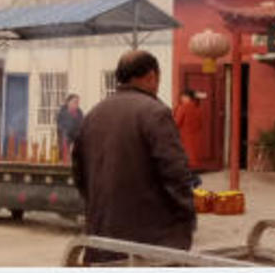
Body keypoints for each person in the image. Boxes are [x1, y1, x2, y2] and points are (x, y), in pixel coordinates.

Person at [73, 50, 197, 257]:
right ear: (151, 77)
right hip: (147, 242)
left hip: (100, 236)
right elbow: (176, 174)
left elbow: (79, 174)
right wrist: (186, 217)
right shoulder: (155, 113)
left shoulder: (93, 114)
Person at [173, 89, 203, 168]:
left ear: (187, 97)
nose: (181, 98)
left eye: (182, 96)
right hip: (196, 134)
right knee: (193, 154)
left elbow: (176, 122)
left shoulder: (183, 107)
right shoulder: (198, 107)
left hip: (184, 134)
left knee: (184, 154)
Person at [56, 94, 83, 161]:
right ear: (68, 102)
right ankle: (64, 159)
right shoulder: (62, 112)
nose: (76, 104)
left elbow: (81, 125)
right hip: (65, 134)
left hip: (75, 134)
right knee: (64, 137)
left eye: (77, 102)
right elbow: (61, 126)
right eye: (75, 102)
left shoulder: (79, 112)